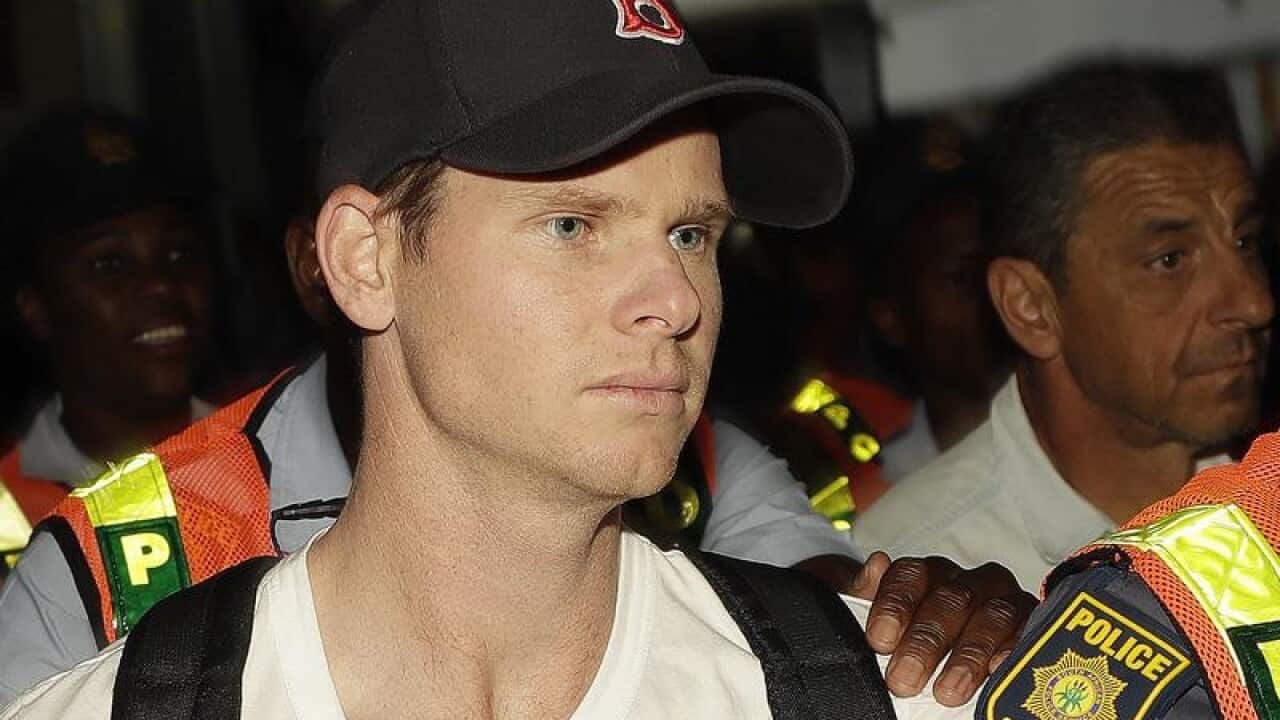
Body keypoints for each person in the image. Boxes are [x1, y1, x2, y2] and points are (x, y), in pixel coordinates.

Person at [3, 0, 1025, 716]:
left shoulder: (868, 693)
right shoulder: (115, 683)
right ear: (365, 259)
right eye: (573, 226)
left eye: (692, 234)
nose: (674, 301)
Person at [853, 61, 1273, 592]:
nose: (1254, 303)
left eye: (1246, 242)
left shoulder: (1265, 494)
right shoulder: (913, 581)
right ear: (1031, 306)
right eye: (1169, 260)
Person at [0, 107, 215, 573]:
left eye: (179, 253)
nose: (161, 284)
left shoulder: (277, 457)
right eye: (109, 265)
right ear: (36, 308)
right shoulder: (10, 510)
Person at [861, 117, 1010, 481]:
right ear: (891, 316)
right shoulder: (877, 493)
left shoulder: (1098, 457)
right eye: (961, 278)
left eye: (1003, 270)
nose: (995, 295)